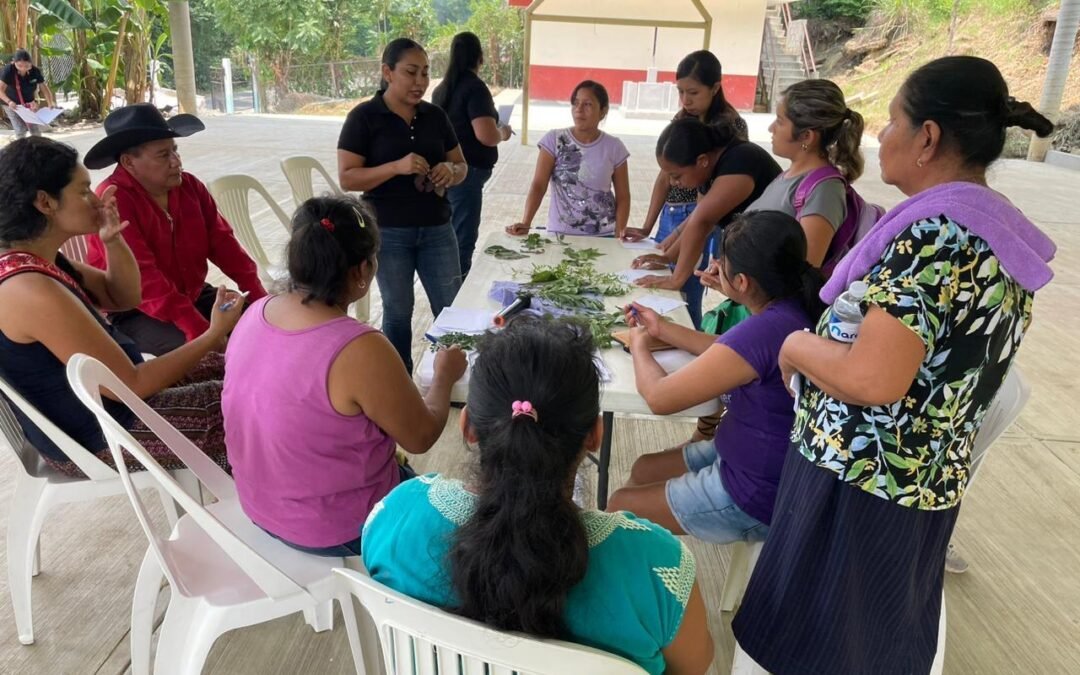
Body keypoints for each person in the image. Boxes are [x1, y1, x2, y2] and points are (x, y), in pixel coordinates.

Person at [731, 56, 1055, 674]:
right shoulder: (995, 234)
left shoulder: (935, 237)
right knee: (867, 647)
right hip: (920, 484)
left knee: (812, 651)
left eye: (894, 122)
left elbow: (872, 380)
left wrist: (794, 347)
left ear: (927, 138)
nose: (881, 135)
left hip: (859, 483)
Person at [362, 317, 714, 675]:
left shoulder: (396, 517)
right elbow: (692, 669)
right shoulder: (657, 565)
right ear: (595, 434)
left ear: (467, 426)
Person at [223, 196, 466, 557]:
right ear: (363, 271)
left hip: (259, 508)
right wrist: (444, 376)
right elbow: (421, 436)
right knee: (467, 522)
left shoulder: (256, 311)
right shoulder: (359, 348)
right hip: (337, 527)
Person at [0, 137, 244, 477]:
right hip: (102, 436)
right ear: (45, 202)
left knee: (244, 364)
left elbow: (124, 298)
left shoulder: (41, 261)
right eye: (83, 191)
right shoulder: (28, 288)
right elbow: (131, 383)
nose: (95, 199)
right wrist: (213, 332)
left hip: (118, 408)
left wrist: (112, 242)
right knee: (262, 398)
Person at [606, 211, 822, 544]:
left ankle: (648, 582)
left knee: (621, 505)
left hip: (753, 493)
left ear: (742, 282)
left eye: (721, 263)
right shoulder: (789, 310)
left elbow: (660, 398)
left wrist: (638, 345)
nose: (715, 268)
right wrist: (662, 328)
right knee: (644, 469)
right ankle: (645, 556)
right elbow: (727, 350)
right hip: (746, 458)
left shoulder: (763, 329)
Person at [82, 103, 266, 356]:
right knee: (203, 356)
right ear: (128, 162)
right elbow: (146, 280)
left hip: (192, 296)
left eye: (175, 151)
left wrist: (258, 296)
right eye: (163, 155)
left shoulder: (190, 186)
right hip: (136, 311)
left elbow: (224, 243)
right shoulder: (114, 200)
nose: (176, 161)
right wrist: (202, 332)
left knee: (262, 325)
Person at [338, 38, 468, 373]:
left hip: (438, 229)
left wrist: (450, 171)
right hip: (389, 232)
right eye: (411, 72)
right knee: (397, 313)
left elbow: (462, 166)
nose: (421, 81)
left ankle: (453, 380)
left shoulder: (435, 116)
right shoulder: (364, 117)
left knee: (450, 310)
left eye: (425, 73)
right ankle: (399, 384)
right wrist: (395, 167)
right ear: (387, 72)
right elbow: (348, 178)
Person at [624, 50, 749, 328]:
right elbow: (666, 175)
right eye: (680, 92)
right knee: (658, 283)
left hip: (703, 216)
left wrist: (677, 268)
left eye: (692, 92)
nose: (685, 100)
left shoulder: (730, 129)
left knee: (682, 292)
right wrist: (650, 228)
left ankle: (682, 343)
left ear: (715, 88)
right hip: (681, 216)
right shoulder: (683, 119)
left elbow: (705, 213)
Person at [632, 119, 781, 295]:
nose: (673, 183)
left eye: (677, 176)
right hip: (758, 252)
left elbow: (702, 222)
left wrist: (676, 280)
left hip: (776, 257)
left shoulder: (740, 162)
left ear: (702, 160)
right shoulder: (708, 168)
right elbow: (698, 218)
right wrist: (668, 257)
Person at [746, 78, 864, 267]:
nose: (771, 128)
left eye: (780, 121)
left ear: (807, 136)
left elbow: (802, 276)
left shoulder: (825, 191)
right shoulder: (789, 175)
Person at [432, 32, 513, 278]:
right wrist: (503, 132)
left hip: (445, 171)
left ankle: (448, 287)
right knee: (463, 238)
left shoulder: (442, 89)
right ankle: (455, 293)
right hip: (467, 172)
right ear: (480, 58)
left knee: (449, 233)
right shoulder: (475, 89)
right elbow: (486, 135)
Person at [506, 81, 630, 238]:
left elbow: (623, 197)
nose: (579, 109)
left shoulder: (614, 147)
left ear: (603, 111)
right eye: (576, 103)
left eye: (588, 104)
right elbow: (538, 185)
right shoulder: (554, 140)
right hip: (560, 234)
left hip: (603, 235)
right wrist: (526, 222)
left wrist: (619, 236)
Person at [0, 49, 56, 139]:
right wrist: (9, 101)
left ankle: (37, 148)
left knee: (35, 130)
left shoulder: (35, 71)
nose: (23, 69)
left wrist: (50, 102)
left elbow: (44, 88)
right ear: (14, 62)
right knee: (20, 130)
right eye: (20, 66)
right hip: (11, 104)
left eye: (26, 66)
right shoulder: (8, 71)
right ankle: (20, 150)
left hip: (29, 104)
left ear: (31, 63)